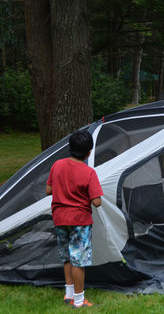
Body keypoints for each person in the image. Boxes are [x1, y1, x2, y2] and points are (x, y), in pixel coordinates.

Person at [46, 130, 103, 308]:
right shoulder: (89, 173)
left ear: (70, 148)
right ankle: (79, 301)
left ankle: (68, 294)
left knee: (67, 258)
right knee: (79, 260)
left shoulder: (57, 165)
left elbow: (48, 190)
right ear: (89, 152)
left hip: (60, 219)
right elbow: (97, 202)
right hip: (80, 221)